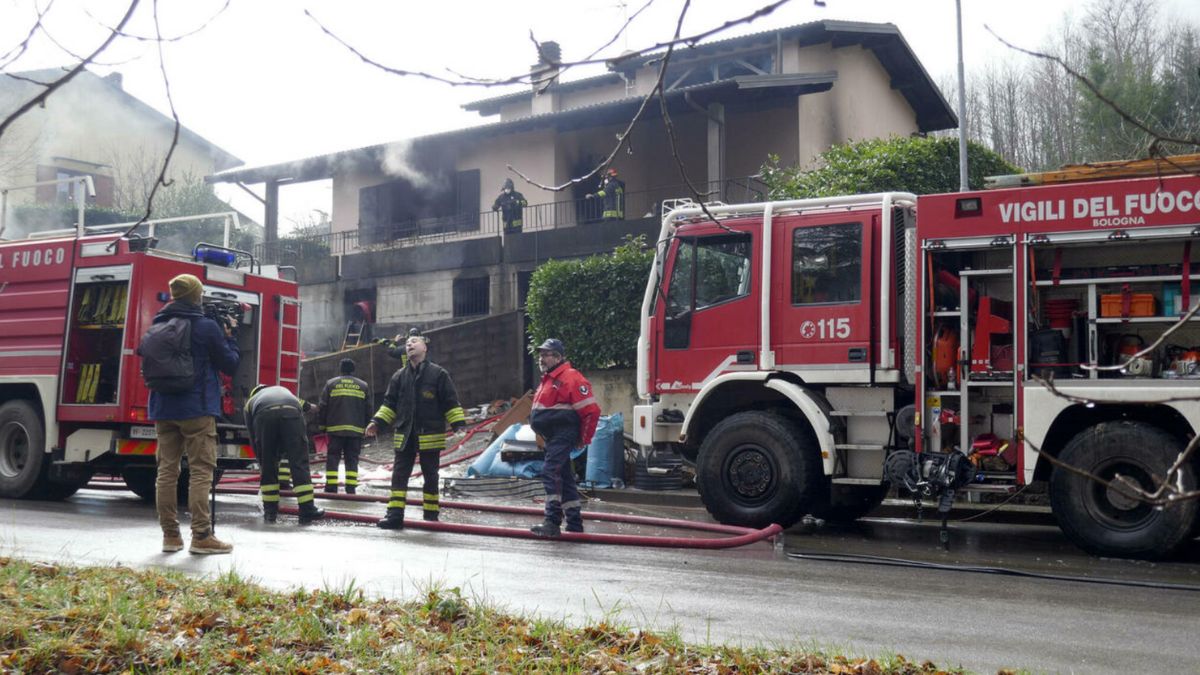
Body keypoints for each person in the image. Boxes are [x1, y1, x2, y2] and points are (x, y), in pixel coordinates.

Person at [148, 273, 240, 555]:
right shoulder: (206, 327)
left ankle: (170, 536)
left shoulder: (159, 323)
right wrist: (230, 337)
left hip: (163, 408)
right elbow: (230, 364)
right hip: (197, 409)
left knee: (166, 472)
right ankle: (201, 536)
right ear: (196, 296)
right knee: (201, 471)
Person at [365, 331, 466, 529]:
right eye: (408, 342)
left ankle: (430, 514)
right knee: (399, 475)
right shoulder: (399, 376)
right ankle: (394, 515)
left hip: (430, 434)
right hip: (405, 434)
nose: (409, 344)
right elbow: (389, 404)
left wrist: (458, 425)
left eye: (414, 342)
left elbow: (450, 401)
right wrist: (377, 421)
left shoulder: (438, 374)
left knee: (430, 475)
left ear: (425, 348)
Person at [529, 338, 600, 537]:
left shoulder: (571, 377)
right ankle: (574, 522)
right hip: (553, 435)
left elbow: (591, 411)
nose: (541, 358)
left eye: (546, 354)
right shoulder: (550, 379)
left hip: (563, 434)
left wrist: (583, 438)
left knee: (551, 472)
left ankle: (552, 521)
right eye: (540, 354)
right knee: (565, 477)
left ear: (558, 357)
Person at [245, 384, 326, 524]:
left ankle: (270, 513)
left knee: (268, 465)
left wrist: (262, 460)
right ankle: (307, 509)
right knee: (299, 463)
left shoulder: (250, 403)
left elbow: (252, 435)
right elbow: (300, 414)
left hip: (264, 415)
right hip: (292, 412)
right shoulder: (284, 391)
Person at [318, 358, 370, 494]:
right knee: (352, 459)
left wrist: (321, 425)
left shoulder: (331, 384)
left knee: (333, 458)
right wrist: (368, 426)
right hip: (355, 431)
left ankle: (331, 487)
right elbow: (368, 408)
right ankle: (351, 488)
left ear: (340, 369)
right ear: (353, 370)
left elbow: (323, 406)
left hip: (335, 430)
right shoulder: (363, 385)